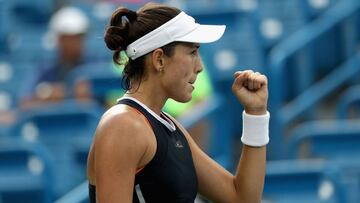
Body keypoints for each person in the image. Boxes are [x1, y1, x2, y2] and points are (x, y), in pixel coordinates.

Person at [87, 2, 270, 203]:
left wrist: (256, 114)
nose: (199, 66)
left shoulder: (170, 128)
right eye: (192, 52)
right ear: (159, 60)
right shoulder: (122, 125)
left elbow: (242, 199)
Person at [20, 6, 92, 109]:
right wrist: (46, 96)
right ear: (58, 39)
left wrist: (90, 97)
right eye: (69, 38)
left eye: (78, 37)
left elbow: (112, 104)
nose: (74, 43)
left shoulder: (95, 67)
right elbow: (25, 103)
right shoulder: (45, 69)